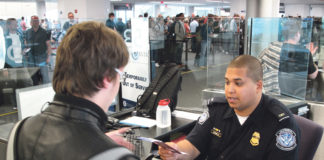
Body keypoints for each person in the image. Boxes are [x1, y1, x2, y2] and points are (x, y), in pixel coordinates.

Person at [15, 21, 139, 160]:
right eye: (120, 75)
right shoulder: (118, 157)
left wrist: (98, 141)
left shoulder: (19, 131)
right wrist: (103, 147)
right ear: (106, 79)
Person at [159, 55, 300, 160]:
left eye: (238, 84)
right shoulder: (218, 110)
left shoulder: (281, 124)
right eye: (227, 82)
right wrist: (176, 151)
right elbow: (193, 146)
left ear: (258, 86)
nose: (230, 90)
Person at [258, 19, 318, 96]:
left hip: (273, 94)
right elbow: (313, 76)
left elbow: (258, 64)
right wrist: (311, 59)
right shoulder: (304, 52)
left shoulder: (272, 48)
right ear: (297, 34)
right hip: (295, 95)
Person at [25, 15, 51, 85]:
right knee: (33, 77)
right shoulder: (27, 32)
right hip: (31, 58)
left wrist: (48, 57)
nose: (35, 22)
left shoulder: (44, 32)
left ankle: (47, 91)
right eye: (34, 21)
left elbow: (48, 45)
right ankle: (36, 89)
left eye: (37, 21)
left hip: (42, 57)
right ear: (31, 22)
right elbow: (26, 44)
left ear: (39, 22)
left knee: (45, 77)